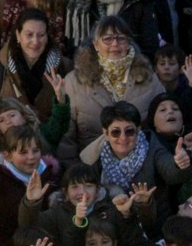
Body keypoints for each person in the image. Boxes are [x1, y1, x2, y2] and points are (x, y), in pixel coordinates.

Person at [58, 15, 165, 162]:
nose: (115, 44)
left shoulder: (149, 78)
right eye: (107, 39)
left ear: (129, 43)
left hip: (142, 165)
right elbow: (66, 136)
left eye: (121, 38)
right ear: (96, 45)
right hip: (91, 166)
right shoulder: (73, 82)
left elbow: (163, 126)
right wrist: (74, 168)